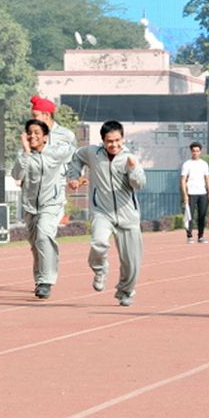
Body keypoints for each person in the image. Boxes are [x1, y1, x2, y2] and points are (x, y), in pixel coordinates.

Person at [67, 120, 146, 306]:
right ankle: (100, 269)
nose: (114, 145)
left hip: (128, 216)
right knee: (98, 242)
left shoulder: (129, 158)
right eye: (109, 141)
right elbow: (76, 157)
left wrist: (133, 169)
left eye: (118, 140)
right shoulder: (93, 153)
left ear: (123, 138)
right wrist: (74, 176)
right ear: (102, 140)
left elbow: (140, 184)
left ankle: (125, 292)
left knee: (131, 262)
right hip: (102, 211)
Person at [11, 119, 75, 299]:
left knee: (43, 235)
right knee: (35, 244)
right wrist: (25, 152)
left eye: (37, 133)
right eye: (29, 133)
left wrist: (77, 176)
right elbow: (16, 175)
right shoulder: (24, 156)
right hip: (30, 207)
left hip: (51, 204)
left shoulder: (56, 153)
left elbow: (76, 154)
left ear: (45, 137)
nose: (33, 136)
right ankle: (40, 281)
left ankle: (46, 281)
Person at [28, 95, 77, 224]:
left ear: (46, 115)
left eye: (35, 115)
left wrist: (74, 178)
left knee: (45, 232)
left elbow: (75, 160)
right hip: (33, 191)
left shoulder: (66, 135)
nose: (32, 119)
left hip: (55, 192)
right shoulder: (32, 134)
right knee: (36, 239)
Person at [180, 142, 209, 244]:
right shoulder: (187, 164)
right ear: (191, 152)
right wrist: (185, 195)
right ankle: (189, 236)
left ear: (200, 151)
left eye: (197, 151)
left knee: (202, 215)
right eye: (194, 151)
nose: (195, 153)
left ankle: (201, 236)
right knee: (190, 215)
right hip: (191, 193)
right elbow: (183, 180)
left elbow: (207, 179)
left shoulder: (204, 164)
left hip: (202, 193)